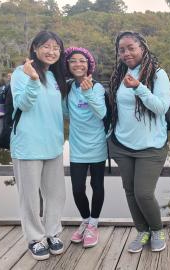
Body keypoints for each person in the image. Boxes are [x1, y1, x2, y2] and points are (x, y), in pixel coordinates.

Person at [107, 31, 170, 253]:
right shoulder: (119, 74)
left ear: (142, 48)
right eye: (122, 49)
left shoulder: (157, 74)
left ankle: (156, 229)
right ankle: (142, 231)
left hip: (151, 146)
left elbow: (161, 108)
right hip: (122, 145)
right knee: (130, 191)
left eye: (131, 47)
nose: (126, 53)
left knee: (143, 192)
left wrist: (139, 88)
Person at [10, 30, 67, 261]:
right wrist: (33, 80)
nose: (51, 51)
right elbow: (23, 104)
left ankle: (52, 232)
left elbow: (60, 110)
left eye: (56, 48)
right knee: (30, 197)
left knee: (55, 194)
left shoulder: (54, 77)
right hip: (28, 145)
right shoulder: (20, 73)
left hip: (53, 145)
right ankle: (35, 238)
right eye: (46, 46)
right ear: (34, 47)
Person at [63, 47, 107, 248]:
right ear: (68, 65)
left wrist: (88, 93)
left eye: (82, 60)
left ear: (89, 65)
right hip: (77, 148)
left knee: (97, 186)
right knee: (77, 189)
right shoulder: (67, 88)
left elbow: (101, 113)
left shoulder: (97, 87)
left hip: (97, 145)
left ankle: (94, 224)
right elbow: (64, 113)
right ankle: (85, 220)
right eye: (73, 61)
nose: (78, 64)